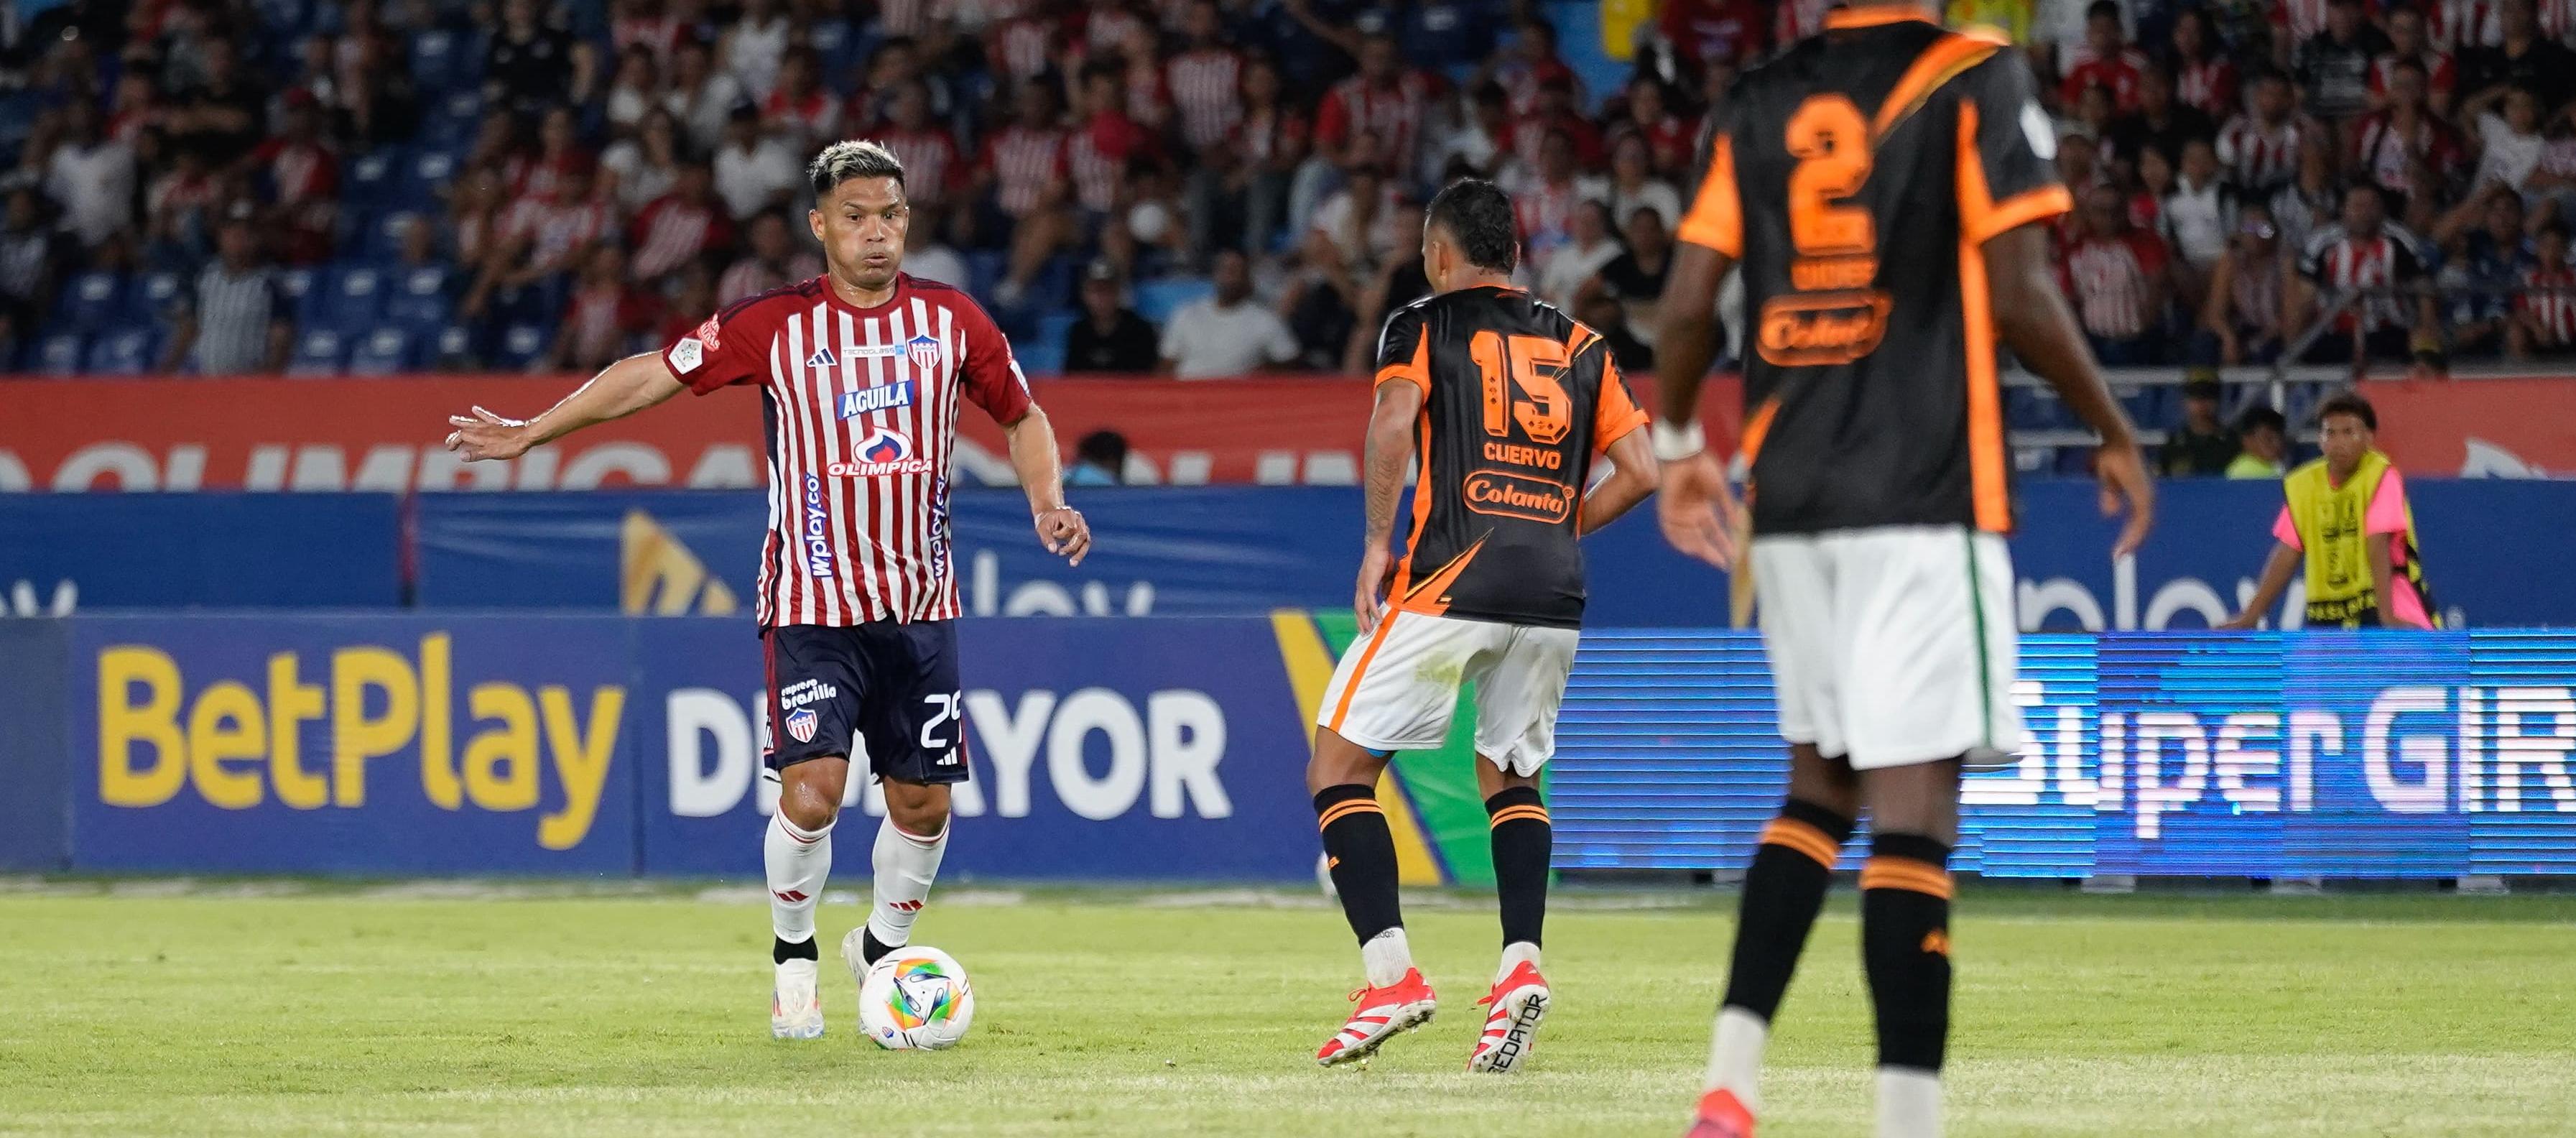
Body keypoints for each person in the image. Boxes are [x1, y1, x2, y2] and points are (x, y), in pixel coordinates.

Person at [441, 140, 1093, 1041]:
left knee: (923, 803)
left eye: (892, 215)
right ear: (820, 226)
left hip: (919, 605)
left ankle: (881, 949)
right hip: (809, 601)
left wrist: (1046, 502)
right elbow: (651, 374)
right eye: (857, 217)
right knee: (815, 793)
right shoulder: (775, 324)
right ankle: (795, 957)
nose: (877, 233)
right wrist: (532, 433)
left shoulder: (955, 322)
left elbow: (1022, 415)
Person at [1653, 6, 2152, 1136]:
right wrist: (2111, 428)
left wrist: (1681, 451)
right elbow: (2020, 292)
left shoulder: (1756, 98)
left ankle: (1730, 1082)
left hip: (1789, 504)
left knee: (1817, 786)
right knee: (1916, 813)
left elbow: (1686, 306)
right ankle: (1906, 1122)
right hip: (1923, 495)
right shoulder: (1971, 76)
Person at [1308, 177, 1659, 1073]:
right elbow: (1643, 472)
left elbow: (1392, 428)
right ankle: (1519, 966)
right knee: (1511, 772)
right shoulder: (1583, 342)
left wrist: (1377, 545)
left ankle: (1391, 977)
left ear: (1437, 253)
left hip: (1451, 581)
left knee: (1339, 762)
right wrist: (1551, 528)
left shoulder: (1420, 324)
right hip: (1553, 595)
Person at [2218, 392, 2437, 629]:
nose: (2338, 442)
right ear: (2320, 440)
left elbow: (2377, 542)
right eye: (2330, 433)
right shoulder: (2305, 485)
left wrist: (2387, 616)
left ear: (2368, 438)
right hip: (2329, 614)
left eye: (2348, 432)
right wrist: (2251, 616)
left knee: (2427, 664)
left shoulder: (2381, 475)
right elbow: (2287, 553)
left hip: (2390, 605)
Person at [1157, 249, 1299, 377]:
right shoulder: (1186, 314)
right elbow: (1167, 363)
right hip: (1189, 395)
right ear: (1215, 275)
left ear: (1247, 278)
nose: (1229, 277)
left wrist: (1264, 372)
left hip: (1238, 398)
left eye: (1236, 271)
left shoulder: (1266, 319)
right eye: (1225, 270)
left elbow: (1290, 363)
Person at [1064, 260, 1160, 373]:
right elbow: (1071, 377)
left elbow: (1147, 377)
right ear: (1085, 295)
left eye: (1107, 291)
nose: (1101, 298)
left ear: (1118, 293)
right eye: (1095, 291)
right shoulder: (1078, 332)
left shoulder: (1140, 330)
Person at [2163, 372, 2240, 476]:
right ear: (2185, 401)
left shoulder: (2233, 442)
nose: (2202, 403)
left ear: (2218, 400)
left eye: (2208, 396)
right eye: (2195, 396)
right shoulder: (2174, 444)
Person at [2227, 404, 2290, 478]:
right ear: (2248, 440)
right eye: (2268, 438)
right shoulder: (2243, 473)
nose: (2277, 443)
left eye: (2280, 437)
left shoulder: (2273, 467)